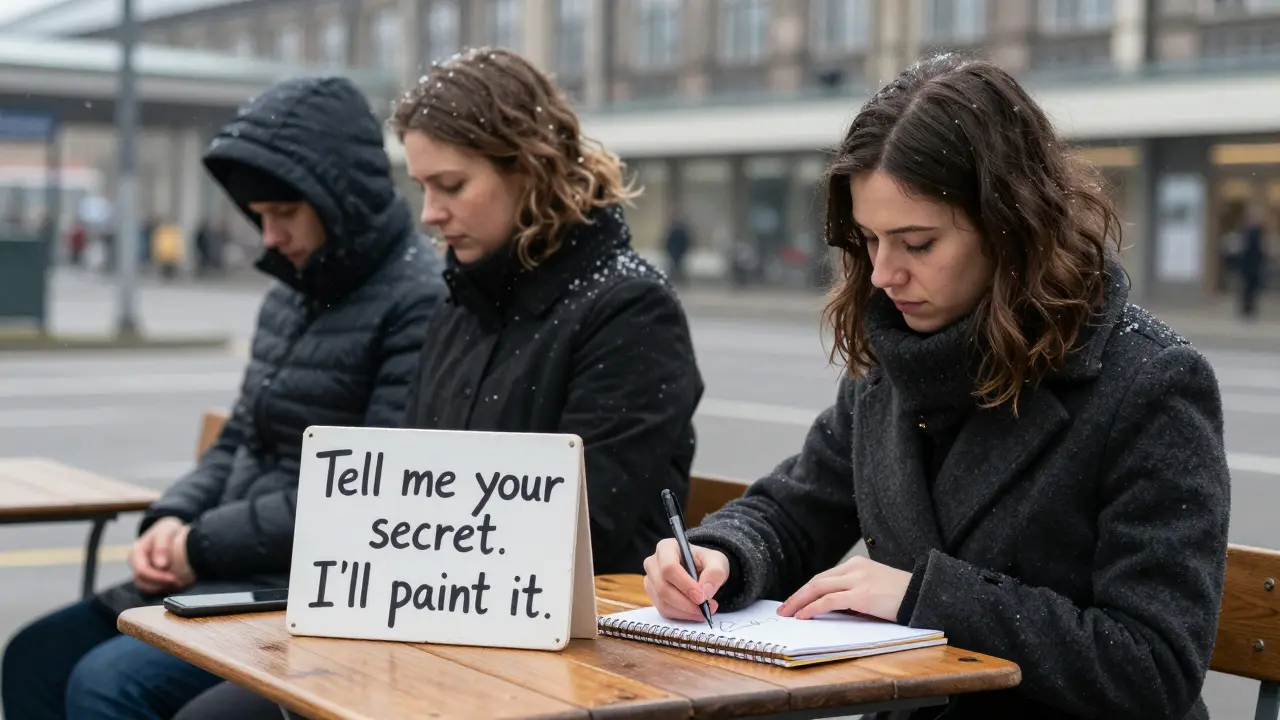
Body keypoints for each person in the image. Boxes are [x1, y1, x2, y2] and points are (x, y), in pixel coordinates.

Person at [643, 53, 1231, 720]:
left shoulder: (1149, 382)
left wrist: (924, 597)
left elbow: (1152, 666)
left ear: (1012, 226)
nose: (884, 274)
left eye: (917, 243)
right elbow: (795, 509)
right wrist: (719, 558)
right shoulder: (896, 363)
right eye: (868, 240)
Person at [171, 46, 705, 720]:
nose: (428, 212)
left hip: (564, 656)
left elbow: (585, 523)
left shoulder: (628, 310)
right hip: (440, 628)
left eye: (449, 186)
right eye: (422, 187)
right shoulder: (464, 302)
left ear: (530, 169)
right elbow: (403, 481)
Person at [1, 74, 445, 720]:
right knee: (35, 657)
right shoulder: (293, 292)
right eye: (259, 217)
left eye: (284, 214)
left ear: (341, 202)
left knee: (107, 683)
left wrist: (199, 544)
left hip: (295, 589)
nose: (268, 237)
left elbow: (364, 498)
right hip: (226, 568)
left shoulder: (418, 303)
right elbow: (239, 436)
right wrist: (171, 520)